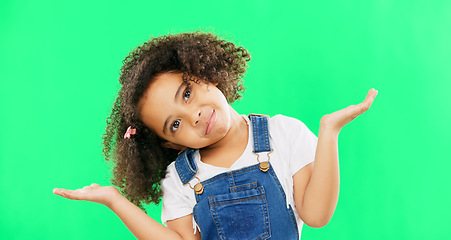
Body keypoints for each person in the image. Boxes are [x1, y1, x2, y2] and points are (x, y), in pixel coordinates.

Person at [53, 31, 378, 240]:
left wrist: (329, 132)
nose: (192, 114)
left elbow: (316, 215)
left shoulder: (284, 134)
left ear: (205, 72)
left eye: (187, 93)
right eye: (175, 125)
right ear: (171, 143)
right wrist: (114, 199)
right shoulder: (179, 180)